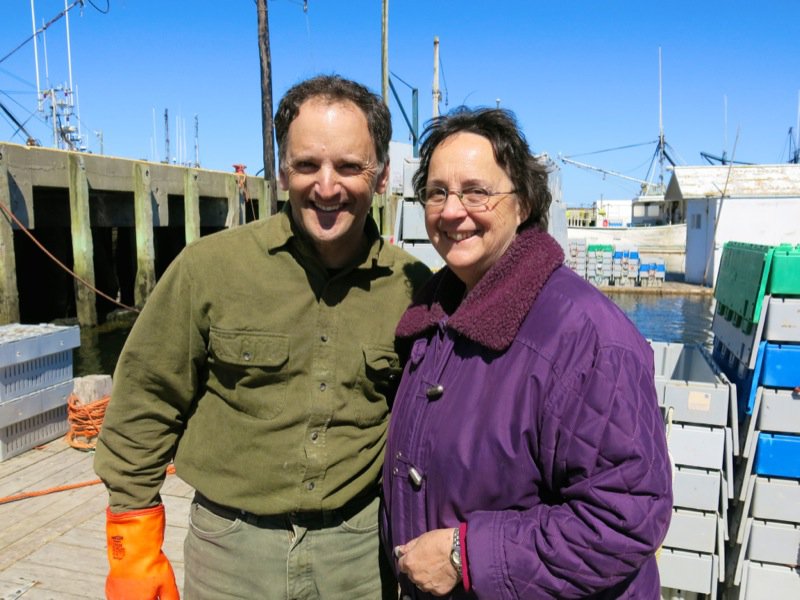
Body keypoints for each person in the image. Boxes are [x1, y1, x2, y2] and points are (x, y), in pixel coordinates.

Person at [94, 74, 431, 599]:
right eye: (306, 165)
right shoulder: (208, 269)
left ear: (382, 175)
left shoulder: (416, 290)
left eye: (349, 166)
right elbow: (144, 403)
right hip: (231, 548)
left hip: (361, 550)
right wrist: (131, 548)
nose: (326, 186)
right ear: (280, 171)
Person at [381, 107, 673, 599]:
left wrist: (462, 555)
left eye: (477, 191)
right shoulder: (435, 316)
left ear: (523, 204)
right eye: (437, 192)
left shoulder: (585, 336)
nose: (453, 210)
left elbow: (627, 515)